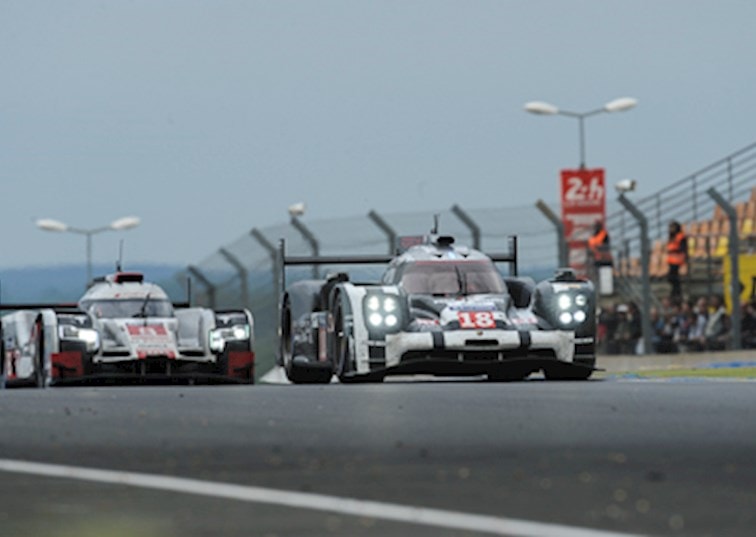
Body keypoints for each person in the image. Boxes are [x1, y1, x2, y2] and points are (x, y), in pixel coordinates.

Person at [666, 220, 688, 302]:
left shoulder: (680, 236)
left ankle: (676, 293)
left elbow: (683, 248)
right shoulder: (672, 237)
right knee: (672, 278)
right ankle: (675, 293)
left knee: (673, 278)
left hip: (677, 260)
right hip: (671, 260)